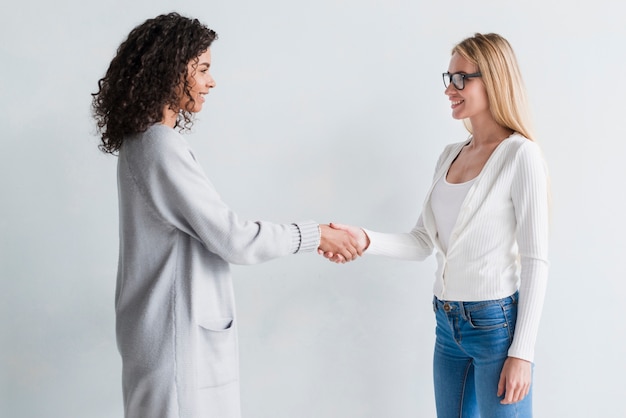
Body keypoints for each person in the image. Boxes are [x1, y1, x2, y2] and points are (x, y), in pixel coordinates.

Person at [91, 12, 360, 418]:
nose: (210, 81)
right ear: (169, 70)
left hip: (163, 342)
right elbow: (232, 238)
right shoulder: (159, 146)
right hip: (176, 350)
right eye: (201, 69)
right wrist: (315, 234)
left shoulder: (142, 143)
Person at [324, 33, 549, 417]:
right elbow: (422, 241)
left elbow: (535, 260)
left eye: (462, 78)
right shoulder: (450, 155)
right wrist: (363, 239)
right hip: (447, 325)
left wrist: (522, 353)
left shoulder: (520, 155)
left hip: (495, 326)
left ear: (493, 79)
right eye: (448, 78)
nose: (451, 89)